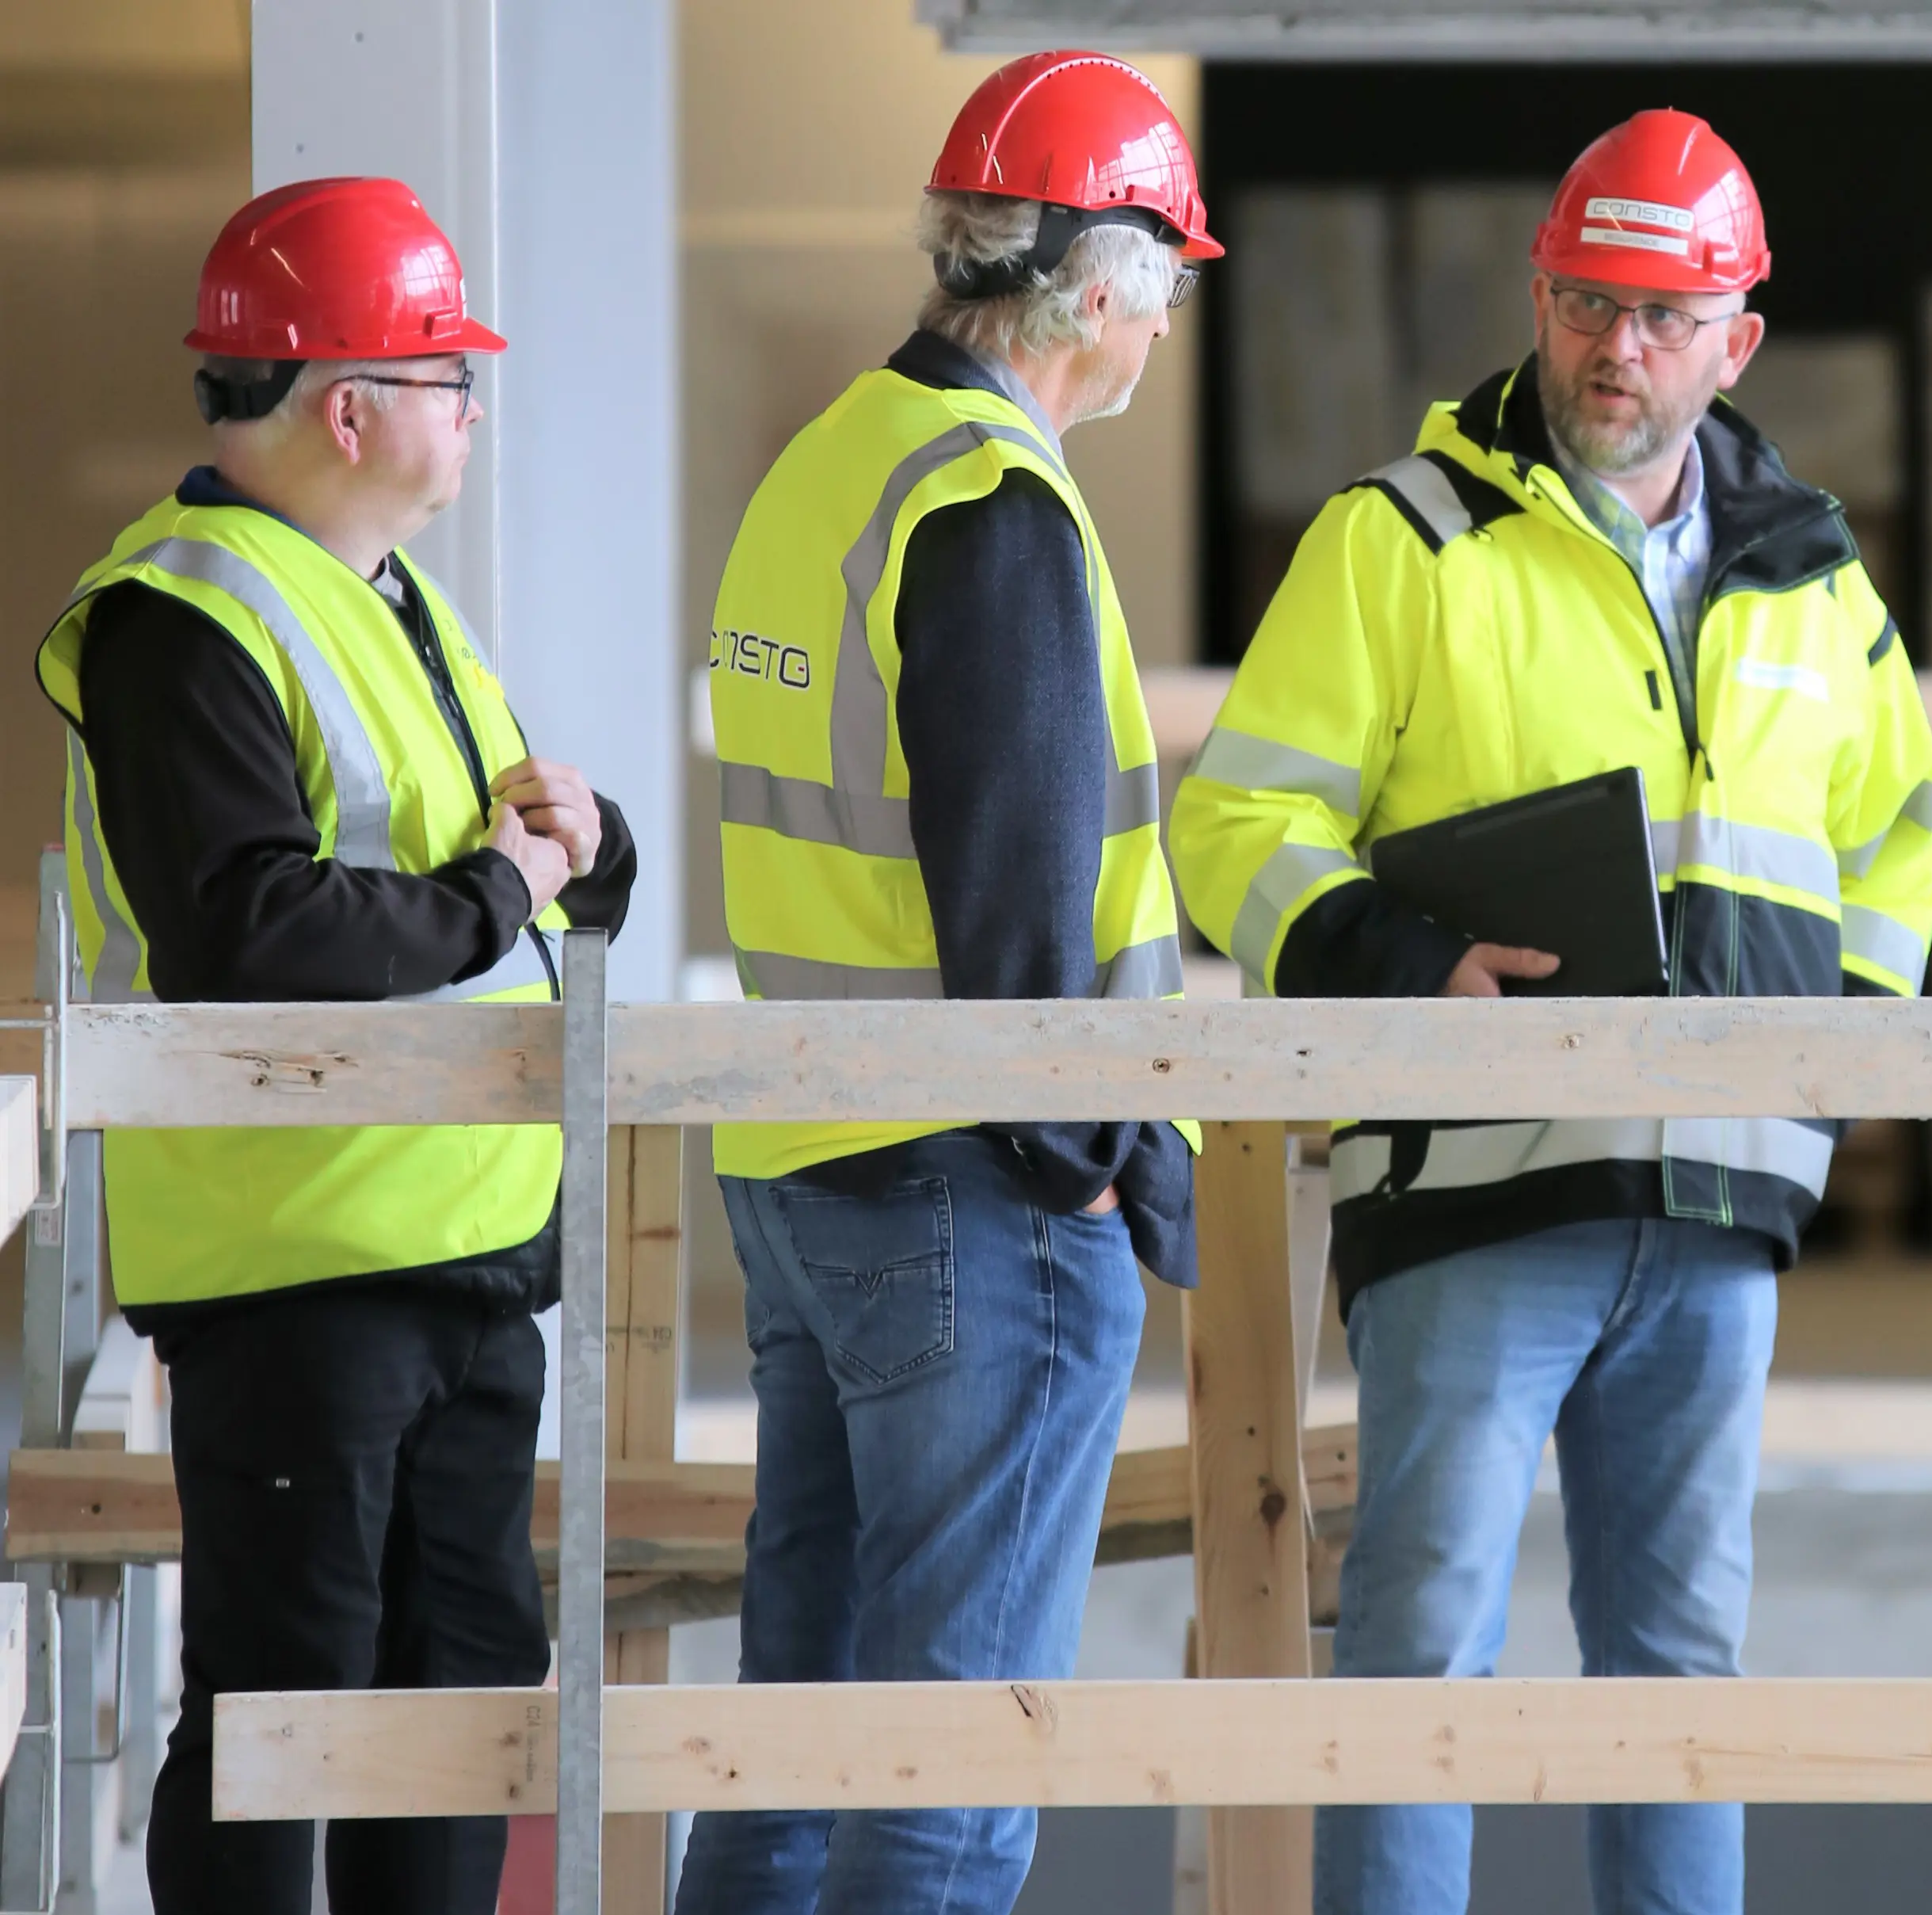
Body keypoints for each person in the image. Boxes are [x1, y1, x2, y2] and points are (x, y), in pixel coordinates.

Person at [1169, 109, 1932, 1915]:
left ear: (1738, 340)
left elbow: (1904, 829)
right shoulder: (1402, 541)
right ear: (1540, 296)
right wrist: (1399, 961)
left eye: (1666, 317)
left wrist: (1827, 1067)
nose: (1619, 349)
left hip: (1721, 1199)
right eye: (1590, 303)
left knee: (1677, 1673)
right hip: (1476, 1187)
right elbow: (1237, 822)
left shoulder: (1812, 577)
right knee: (1421, 1646)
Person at [32, 176, 637, 1914]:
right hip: (301, 1260)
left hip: (462, 1246)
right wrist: (504, 890)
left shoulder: (389, 595)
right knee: (284, 1705)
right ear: (349, 408)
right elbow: (252, 929)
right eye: (451, 375)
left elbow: (480, 867)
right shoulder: (182, 617)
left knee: (454, 1705)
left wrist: (587, 850)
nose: (474, 409)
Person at [675, 48, 1212, 1915]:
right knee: (948, 1767)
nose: (1168, 319)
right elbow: (1022, 916)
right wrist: (1091, 1170)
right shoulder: (992, 504)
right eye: (1167, 277)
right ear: (1099, 286)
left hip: (811, 1163)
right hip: (980, 1196)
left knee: (797, 1747)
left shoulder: (837, 458)